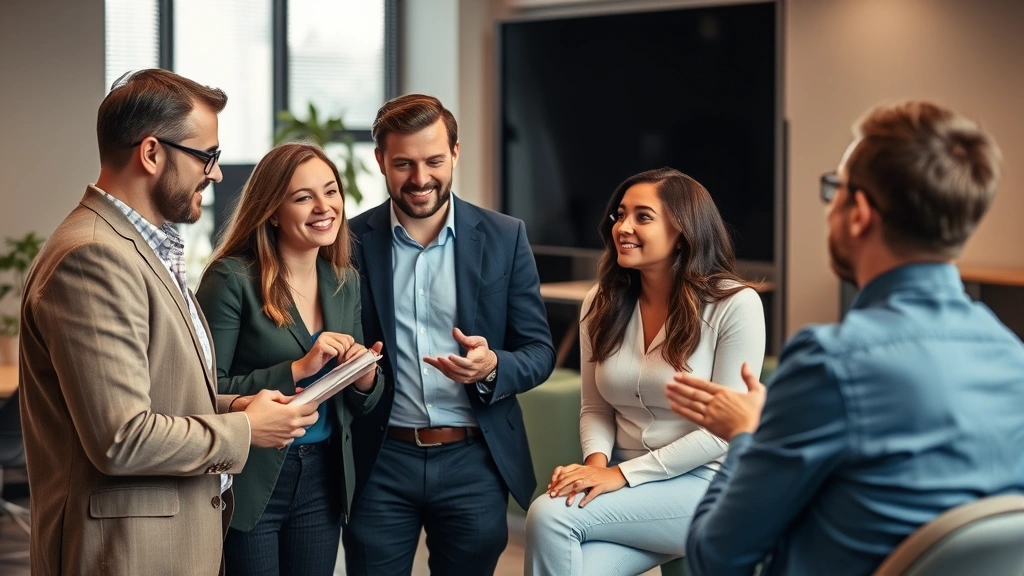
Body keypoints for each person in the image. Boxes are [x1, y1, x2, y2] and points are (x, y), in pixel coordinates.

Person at [666, 100, 1024, 576]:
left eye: (834, 188)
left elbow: (716, 557)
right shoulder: (1012, 358)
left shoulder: (832, 362)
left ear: (858, 213)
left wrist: (746, 435)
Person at [18, 69, 320, 576]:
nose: (218, 174)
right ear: (152, 153)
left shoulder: (138, 248)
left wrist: (237, 404)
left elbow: (157, 394)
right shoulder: (93, 257)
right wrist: (244, 428)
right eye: (208, 157)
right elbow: (122, 438)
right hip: (128, 554)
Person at [342, 93, 556, 576]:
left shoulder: (505, 237)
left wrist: (494, 365)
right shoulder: (347, 243)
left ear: (455, 153)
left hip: (474, 461)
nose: (420, 179)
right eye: (404, 164)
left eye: (434, 160)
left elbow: (540, 352)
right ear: (380, 160)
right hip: (380, 460)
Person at [524, 168, 766, 575]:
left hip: (707, 486)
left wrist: (621, 475)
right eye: (620, 215)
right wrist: (596, 465)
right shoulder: (599, 302)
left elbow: (720, 433)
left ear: (683, 230)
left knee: (550, 515)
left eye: (643, 216)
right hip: (626, 486)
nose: (624, 227)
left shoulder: (736, 305)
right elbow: (595, 408)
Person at [195, 143, 384, 576]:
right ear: (273, 211)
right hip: (252, 475)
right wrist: (298, 369)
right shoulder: (232, 279)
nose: (325, 207)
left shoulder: (343, 281)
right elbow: (203, 390)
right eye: (303, 197)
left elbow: (362, 402)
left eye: (331, 191)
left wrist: (363, 379)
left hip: (323, 475)